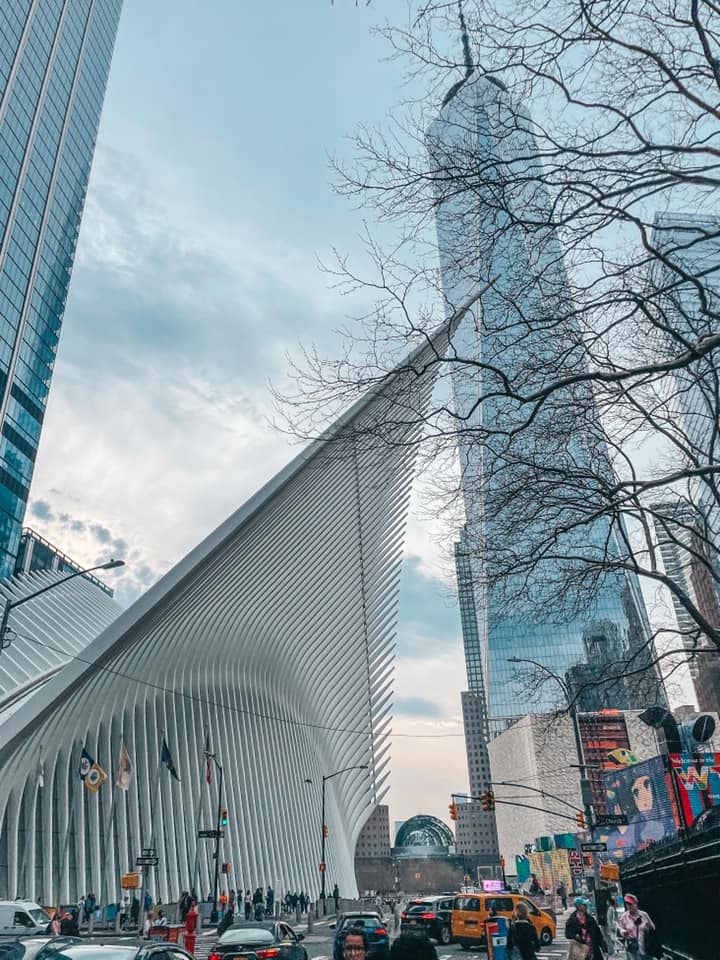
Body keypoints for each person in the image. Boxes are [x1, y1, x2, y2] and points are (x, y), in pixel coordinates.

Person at [617, 894, 656, 959]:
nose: (629, 906)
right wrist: (623, 932)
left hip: (645, 948)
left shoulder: (644, 915)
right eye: (627, 904)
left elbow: (653, 928)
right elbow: (619, 930)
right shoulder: (623, 917)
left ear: (636, 904)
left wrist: (645, 929)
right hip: (632, 950)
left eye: (631, 904)